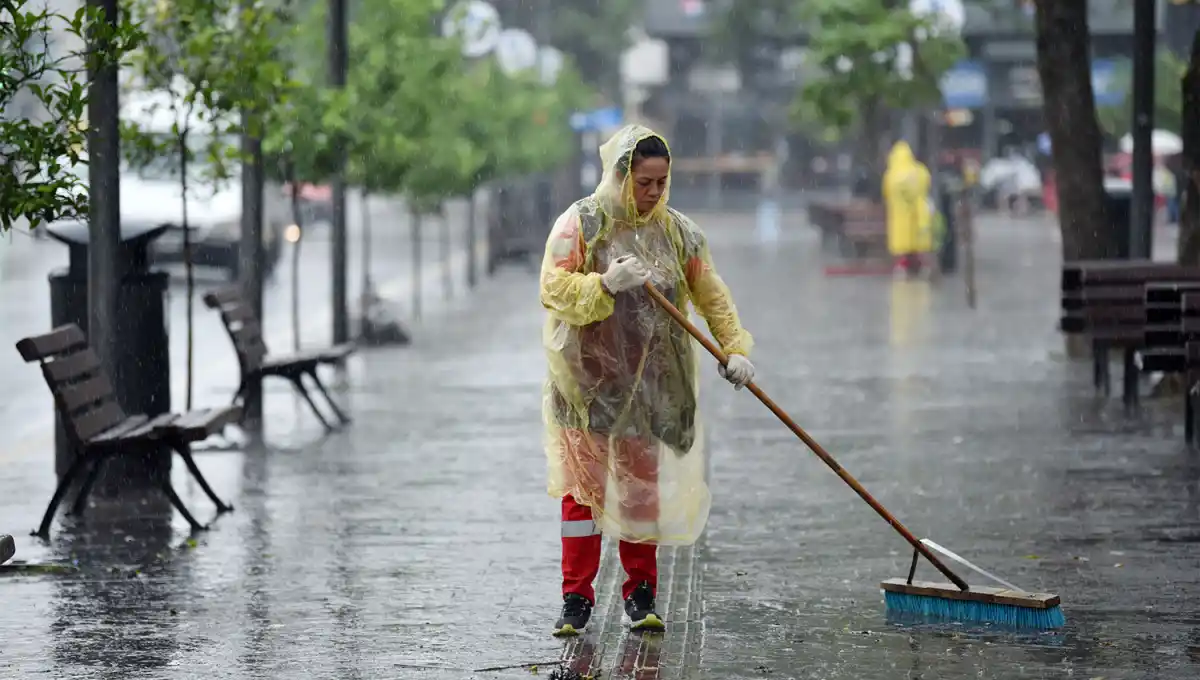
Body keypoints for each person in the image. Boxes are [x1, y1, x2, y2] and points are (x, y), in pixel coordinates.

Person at [539, 125, 755, 637]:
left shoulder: (678, 234)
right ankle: (576, 598)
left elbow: (710, 293)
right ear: (620, 176)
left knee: (641, 494)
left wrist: (734, 348)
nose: (655, 192)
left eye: (661, 182)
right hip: (585, 385)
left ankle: (641, 595)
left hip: (648, 385)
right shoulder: (582, 223)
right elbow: (553, 287)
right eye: (644, 183)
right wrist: (604, 283)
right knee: (583, 496)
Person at [883, 141, 934, 277]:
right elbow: (926, 184)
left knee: (902, 243)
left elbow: (887, 193)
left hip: (899, 216)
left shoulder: (891, 174)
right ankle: (922, 266)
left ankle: (903, 266)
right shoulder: (920, 170)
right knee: (919, 241)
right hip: (919, 214)